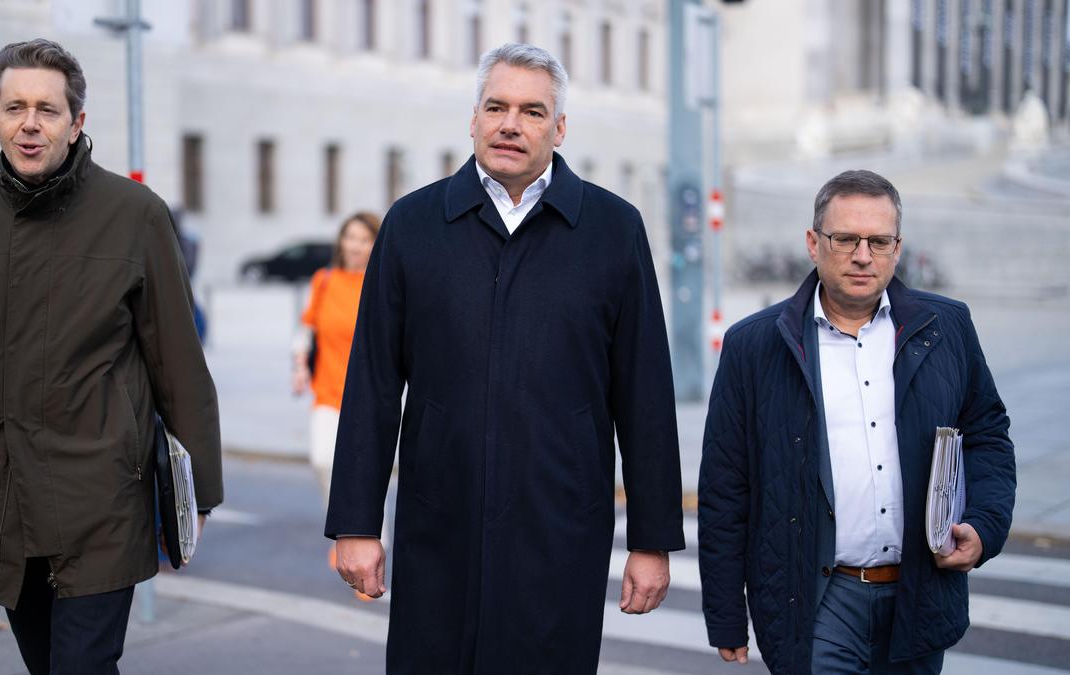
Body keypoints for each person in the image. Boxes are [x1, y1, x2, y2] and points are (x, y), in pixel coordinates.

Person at [324, 43, 684, 673]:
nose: (510, 124)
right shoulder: (413, 225)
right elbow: (374, 382)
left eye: (532, 111)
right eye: (496, 107)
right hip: (440, 524)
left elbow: (644, 393)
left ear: (560, 127)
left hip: (561, 527)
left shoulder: (613, 229)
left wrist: (652, 540)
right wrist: (356, 523)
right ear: (474, 119)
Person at [0, 39, 222, 674]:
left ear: (77, 121)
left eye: (48, 110)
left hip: (100, 496)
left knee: (81, 667)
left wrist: (198, 499)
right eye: (15, 107)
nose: (30, 124)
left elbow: (177, 363)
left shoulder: (135, 214)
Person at [698, 170, 1016, 674]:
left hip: (919, 593)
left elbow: (987, 436)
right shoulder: (755, 345)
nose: (862, 255)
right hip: (816, 602)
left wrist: (985, 526)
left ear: (897, 246)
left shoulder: (947, 327)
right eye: (845, 238)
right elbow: (725, 487)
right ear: (813, 242)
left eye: (879, 240)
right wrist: (725, 612)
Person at [290, 211, 387, 590]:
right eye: (350, 237)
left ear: (374, 244)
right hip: (328, 391)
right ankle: (347, 529)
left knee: (370, 474)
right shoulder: (325, 280)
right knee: (322, 460)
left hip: (369, 399)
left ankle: (374, 546)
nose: (355, 246)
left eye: (364, 239)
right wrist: (299, 364)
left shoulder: (379, 282)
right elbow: (307, 327)